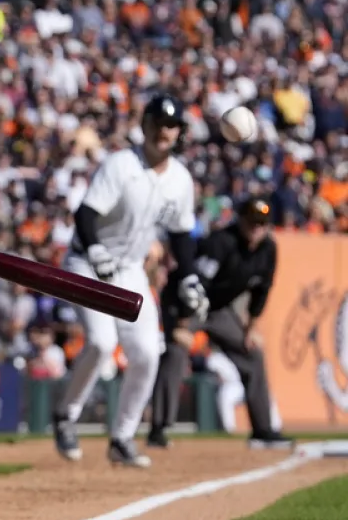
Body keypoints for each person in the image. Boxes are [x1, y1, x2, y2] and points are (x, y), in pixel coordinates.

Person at [52, 93, 206, 468]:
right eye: (158, 124)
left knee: (148, 354)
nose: (164, 131)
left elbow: (182, 235)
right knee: (102, 344)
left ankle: (122, 436)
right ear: (145, 126)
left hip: (130, 269)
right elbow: (86, 214)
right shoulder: (121, 164)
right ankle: (66, 417)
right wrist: (96, 251)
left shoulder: (181, 180)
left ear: (179, 132)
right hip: (88, 261)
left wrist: (187, 277)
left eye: (171, 125)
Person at [150, 196, 288, 449]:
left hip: (218, 309)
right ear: (242, 221)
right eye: (252, 222)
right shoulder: (221, 242)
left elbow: (262, 290)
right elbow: (196, 282)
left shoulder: (269, 249)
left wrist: (250, 328)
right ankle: (159, 428)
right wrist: (181, 324)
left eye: (262, 224)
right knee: (176, 351)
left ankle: (263, 430)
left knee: (252, 354)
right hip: (186, 302)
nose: (256, 228)